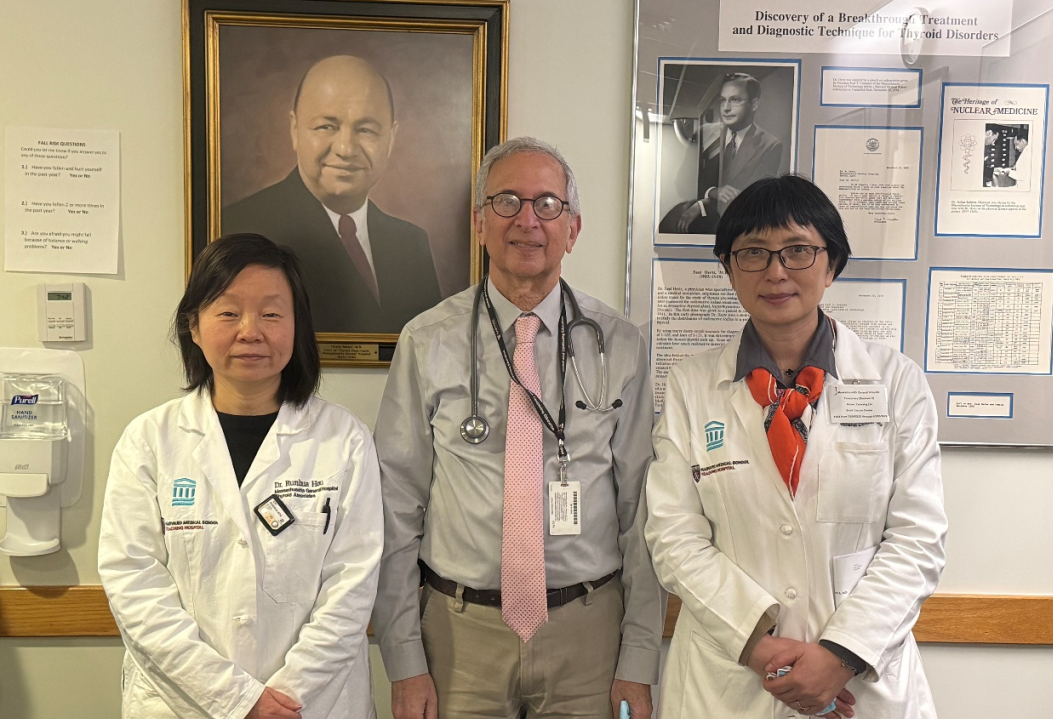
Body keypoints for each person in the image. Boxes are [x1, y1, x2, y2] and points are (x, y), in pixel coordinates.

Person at [372, 137, 665, 719]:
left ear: (573, 229)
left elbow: (642, 512)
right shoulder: (427, 341)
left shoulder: (620, 344)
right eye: (507, 201)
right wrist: (404, 661)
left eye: (547, 204)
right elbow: (394, 507)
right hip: (459, 638)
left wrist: (638, 660)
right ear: (479, 223)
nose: (527, 220)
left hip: (589, 636)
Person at [645, 175, 947, 718]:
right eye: (753, 253)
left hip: (861, 681)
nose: (776, 271)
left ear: (832, 265)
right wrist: (759, 647)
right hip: (731, 677)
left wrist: (840, 655)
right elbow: (673, 536)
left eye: (798, 251)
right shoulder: (691, 387)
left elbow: (917, 538)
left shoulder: (896, 382)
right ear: (728, 268)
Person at [99, 234, 383, 719]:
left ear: (297, 326)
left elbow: (352, 586)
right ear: (194, 325)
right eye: (229, 312)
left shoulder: (345, 440)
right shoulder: (149, 441)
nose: (250, 331)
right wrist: (237, 701)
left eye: (271, 314)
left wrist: (283, 699)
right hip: (185, 704)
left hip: (312, 703)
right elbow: (133, 583)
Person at [222, 55, 443, 334]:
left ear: (391, 139)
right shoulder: (239, 227)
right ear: (295, 130)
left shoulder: (411, 244)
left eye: (366, 130)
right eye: (326, 126)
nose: (345, 149)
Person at [659, 72, 784, 235]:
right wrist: (712, 192)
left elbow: (753, 199)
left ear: (754, 104)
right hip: (696, 226)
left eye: (735, 100)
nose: (726, 108)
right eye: (723, 100)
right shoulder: (704, 133)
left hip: (736, 229)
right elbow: (683, 183)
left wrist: (702, 205)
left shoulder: (770, 145)